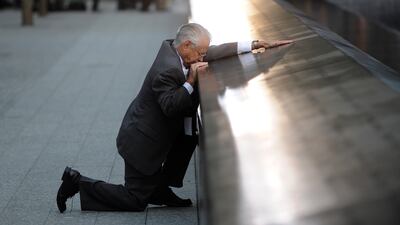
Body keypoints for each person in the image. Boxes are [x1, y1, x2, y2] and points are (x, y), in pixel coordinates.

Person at [56, 23, 293, 212]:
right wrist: (190, 81)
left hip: (149, 133)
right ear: (187, 45)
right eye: (200, 52)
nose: (203, 57)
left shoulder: (179, 48)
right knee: (134, 200)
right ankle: (77, 182)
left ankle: (158, 189)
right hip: (140, 141)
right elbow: (170, 106)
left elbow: (214, 50)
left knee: (187, 137)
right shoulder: (167, 69)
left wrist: (251, 45)